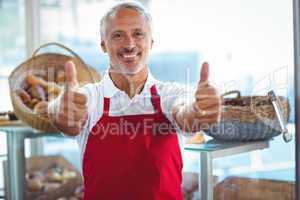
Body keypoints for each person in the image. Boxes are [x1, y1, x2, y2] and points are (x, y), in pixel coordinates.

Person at [48, 2, 221, 200]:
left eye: (138, 34)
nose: (129, 44)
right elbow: (64, 116)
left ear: (151, 42)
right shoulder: (92, 97)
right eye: (118, 35)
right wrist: (58, 109)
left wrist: (198, 111)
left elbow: (185, 113)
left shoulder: (169, 94)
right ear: (103, 44)